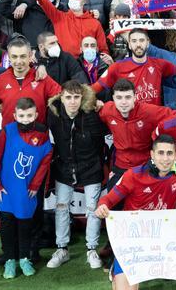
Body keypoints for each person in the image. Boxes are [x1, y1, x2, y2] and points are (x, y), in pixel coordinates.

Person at [94, 135, 176, 290]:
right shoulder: (134, 174)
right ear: (152, 155)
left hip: (163, 234)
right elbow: (108, 200)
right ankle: (117, 266)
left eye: (169, 153)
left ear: (175, 155)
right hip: (133, 238)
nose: (165, 158)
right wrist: (102, 207)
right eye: (160, 153)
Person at [45, 81, 108, 270]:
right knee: (61, 207)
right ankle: (62, 249)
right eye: (68, 97)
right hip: (64, 168)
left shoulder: (93, 115)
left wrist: (102, 106)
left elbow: (105, 137)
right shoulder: (53, 114)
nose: (72, 102)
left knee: (92, 209)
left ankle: (91, 250)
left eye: (76, 97)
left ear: (82, 98)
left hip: (91, 168)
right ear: (61, 98)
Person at [0, 98, 53, 279]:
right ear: (15, 115)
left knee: (25, 225)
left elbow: (46, 158)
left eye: (29, 115)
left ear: (36, 115)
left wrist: (35, 184)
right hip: (6, 190)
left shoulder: (42, 134)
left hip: (26, 191)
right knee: (7, 225)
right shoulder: (7, 132)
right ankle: (9, 260)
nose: (25, 119)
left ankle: (24, 259)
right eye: (22, 115)